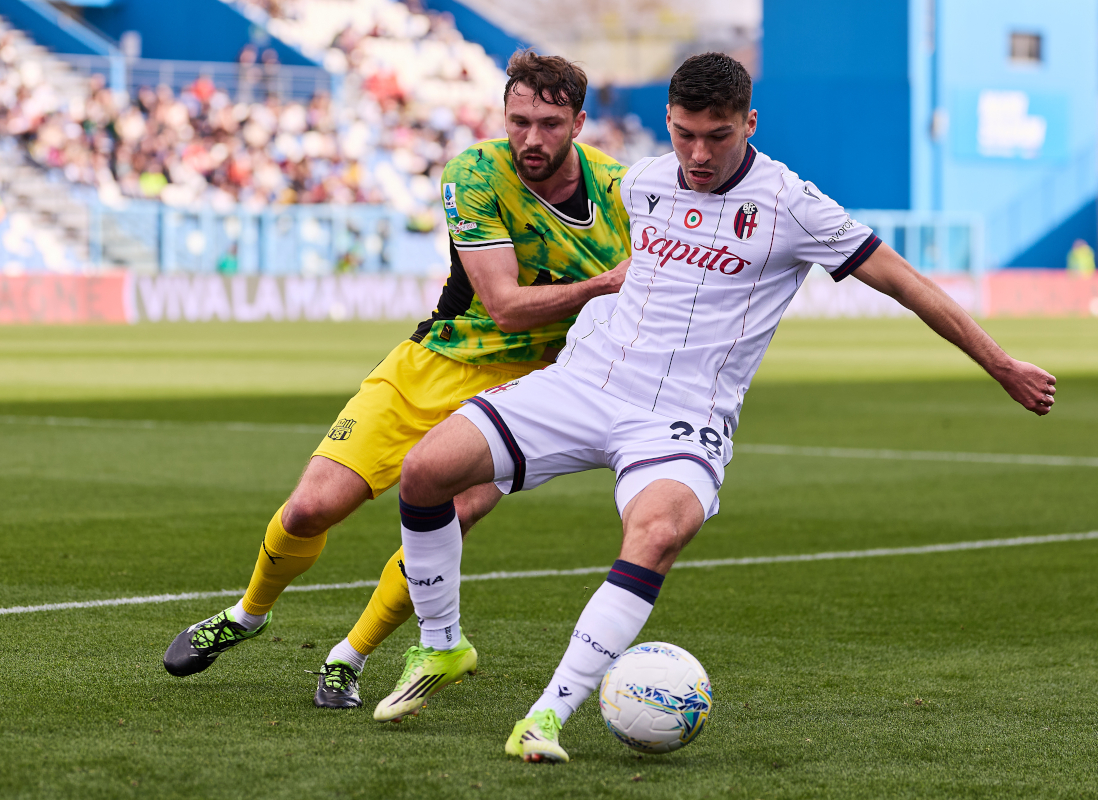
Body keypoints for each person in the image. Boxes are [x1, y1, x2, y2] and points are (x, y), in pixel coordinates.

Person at [385, 52, 1058, 763]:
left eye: (718, 135)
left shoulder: (791, 204)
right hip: (584, 383)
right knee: (425, 471)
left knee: (658, 530)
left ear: (750, 123)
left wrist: (1001, 363)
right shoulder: (642, 182)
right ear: (667, 124)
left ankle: (545, 718)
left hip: (681, 415)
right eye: (684, 134)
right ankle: (441, 646)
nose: (699, 154)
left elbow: (904, 282)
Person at [161, 51, 633, 716]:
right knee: (309, 509)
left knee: (450, 518)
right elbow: (501, 304)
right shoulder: (475, 172)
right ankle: (247, 614)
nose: (531, 138)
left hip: (526, 394)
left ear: (580, 122)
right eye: (519, 120)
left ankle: (347, 658)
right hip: (433, 364)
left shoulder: (623, 193)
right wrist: (606, 286)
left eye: (550, 124)